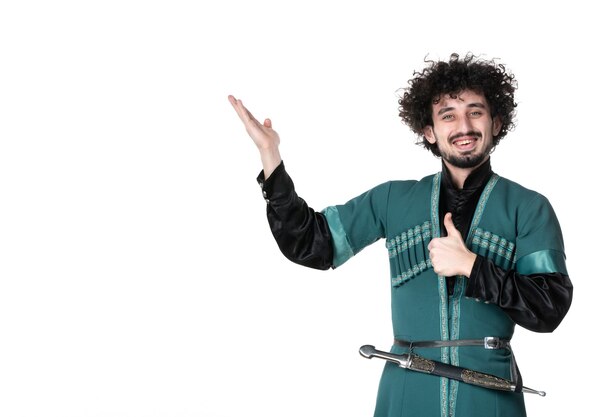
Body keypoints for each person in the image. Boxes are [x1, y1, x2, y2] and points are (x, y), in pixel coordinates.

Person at [228, 53, 573, 417]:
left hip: (490, 392)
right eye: (448, 115)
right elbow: (313, 244)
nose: (464, 126)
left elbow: (549, 308)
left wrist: (472, 265)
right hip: (407, 391)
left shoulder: (530, 208)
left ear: (496, 121)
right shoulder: (392, 199)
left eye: (476, 111)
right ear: (429, 131)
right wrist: (271, 155)